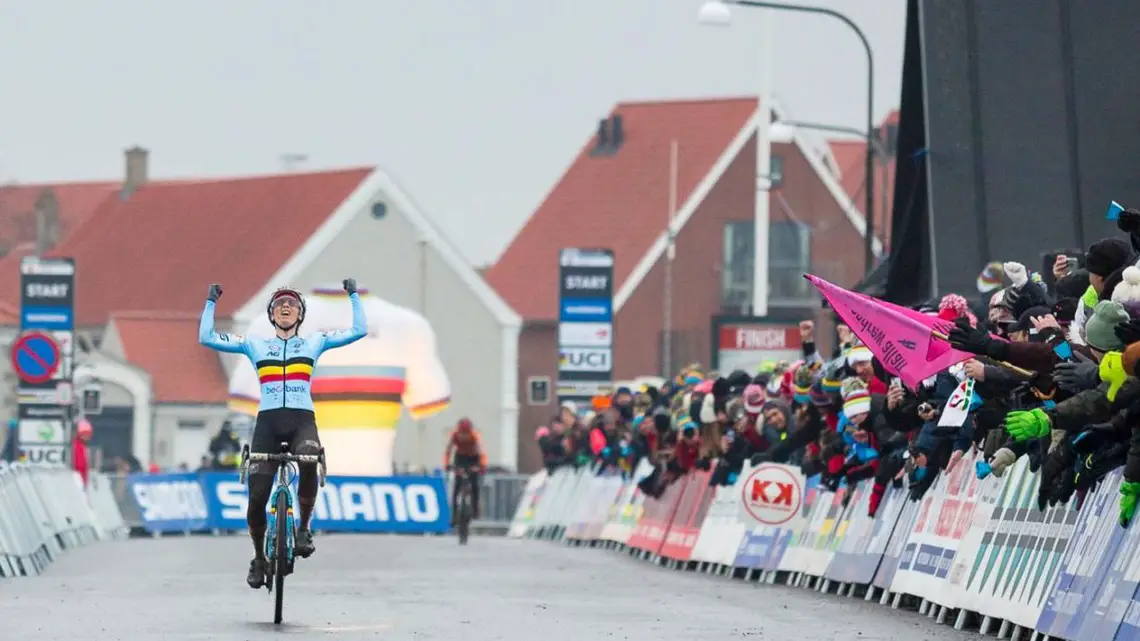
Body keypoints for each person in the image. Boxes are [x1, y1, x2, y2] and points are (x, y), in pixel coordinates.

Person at [199, 279, 366, 589]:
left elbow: (358, 330)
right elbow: (206, 337)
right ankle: (259, 558)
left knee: (308, 460)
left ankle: (304, 528)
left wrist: (353, 295)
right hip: (268, 424)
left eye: (291, 304)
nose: (285, 307)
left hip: (302, 420)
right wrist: (211, 302)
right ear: (271, 315)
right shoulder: (255, 344)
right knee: (257, 499)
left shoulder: (315, 342)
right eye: (278, 305)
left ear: (300, 315)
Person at [443, 418, 487, 525]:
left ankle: (475, 509)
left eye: (466, 433)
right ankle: (454, 516)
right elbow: (448, 450)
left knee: (475, 485)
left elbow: (482, 452)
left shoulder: (474, 436)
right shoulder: (454, 435)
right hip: (460, 458)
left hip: (473, 458)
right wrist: (447, 464)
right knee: (456, 488)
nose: (464, 436)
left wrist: (482, 466)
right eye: (462, 433)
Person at [73, 419, 93, 489]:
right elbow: (80, 465)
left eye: (89, 435)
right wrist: (83, 481)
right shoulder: (78, 445)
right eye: (86, 434)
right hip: (78, 479)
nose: (88, 437)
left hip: (81, 479)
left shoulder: (82, 446)